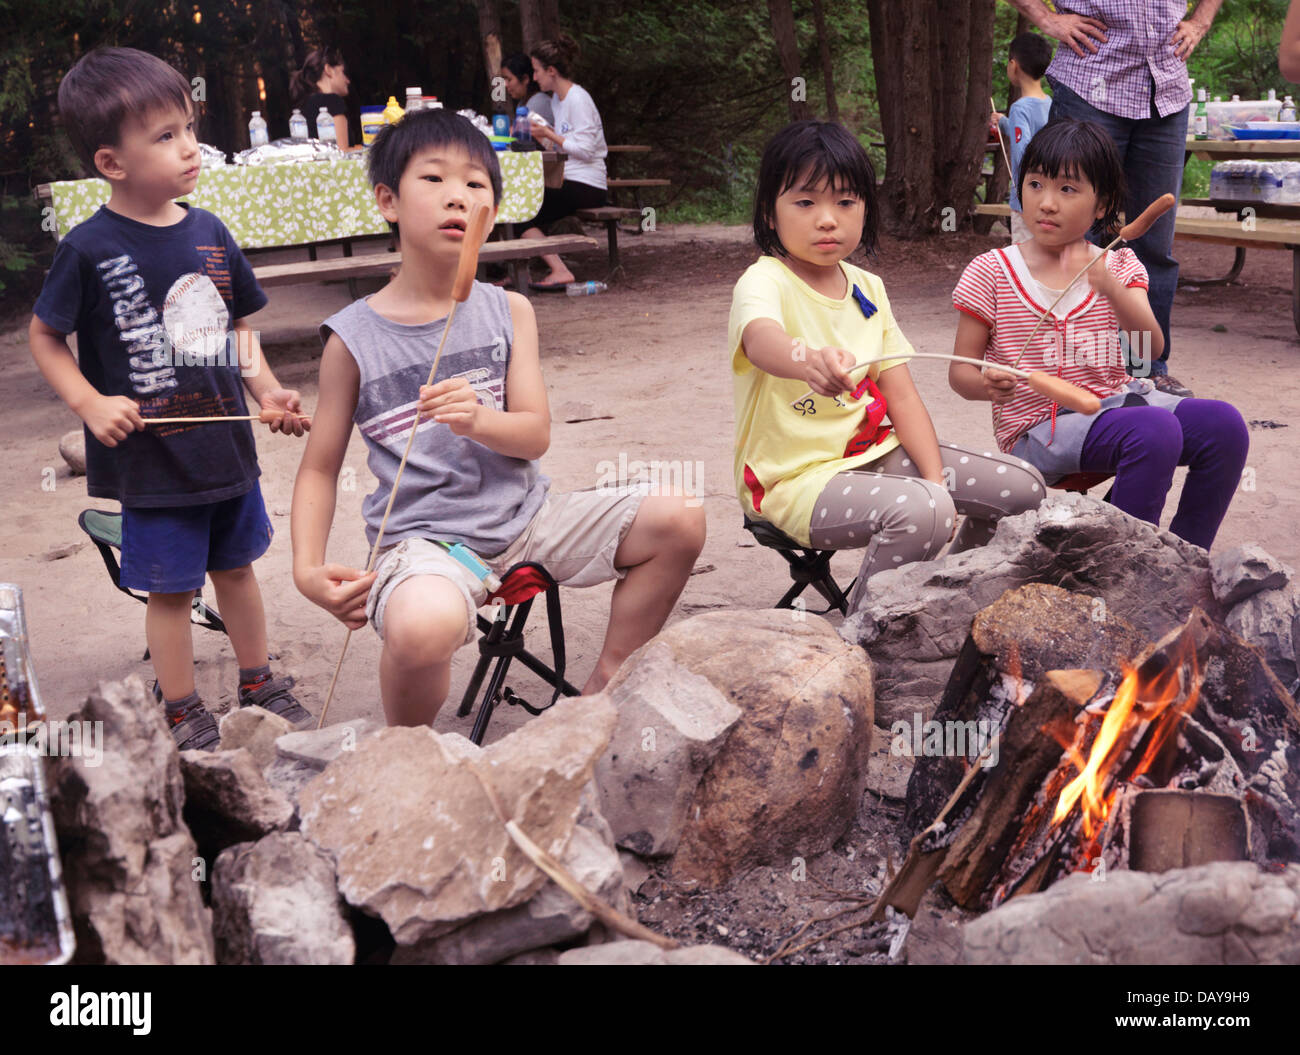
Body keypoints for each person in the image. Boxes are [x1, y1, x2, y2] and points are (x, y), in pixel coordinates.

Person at [291, 109, 704, 727]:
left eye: (476, 184)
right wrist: (306, 568)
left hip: (529, 519)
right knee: (423, 625)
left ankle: (604, 690)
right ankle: (410, 749)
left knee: (680, 516)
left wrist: (479, 420)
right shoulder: (352, 339)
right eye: (433, 179)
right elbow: (320, 469)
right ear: (388, 201)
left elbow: (533, 433)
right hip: (427, 543)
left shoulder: (510, 311)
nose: (458, 195)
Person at [29, 47, 313, 750]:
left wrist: (269, 389)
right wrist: (89, 403)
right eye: (164, 136)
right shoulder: (89, 248)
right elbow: (43, 337)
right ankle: (181, 705)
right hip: (153, 464)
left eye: (188, 128)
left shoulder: (211, 232)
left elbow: (237, 327)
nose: (189, 148)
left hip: (226, 446)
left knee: (238, 569)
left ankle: (258, 677)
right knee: (172, 589)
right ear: (111, 164)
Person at [730, 121, 1045, 614]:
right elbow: (760, 338)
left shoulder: (868, 289)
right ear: (770, 213)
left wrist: (936, 478)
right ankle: (866, 637)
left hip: (875, 453)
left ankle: (944, 600)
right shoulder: (765, 280)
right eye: (805, 202)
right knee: (922, 510)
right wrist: (807, 359)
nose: (827, 219)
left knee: (1023, 489)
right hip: (792, 480)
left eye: (846, 202)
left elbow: (900, 396)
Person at [949, 119, 1247, 552]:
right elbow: (960, 374)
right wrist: (985, 384)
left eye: (1068, 190)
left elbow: (1150, 348)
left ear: (1103, 205)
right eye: (1035, 184)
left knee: (1225, 426)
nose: (1047, 203)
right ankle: (1119, 565)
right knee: (1153, 430)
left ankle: (1185, 558)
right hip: (1038, 429)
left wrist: (1111, 288)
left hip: (1119, 402)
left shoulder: (1120, 266)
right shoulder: (991, 271)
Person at [1005, 0, 1226, 399]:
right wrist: (1045, 18)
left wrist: (1200, 20)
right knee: (1070, 238)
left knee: (1153, 245)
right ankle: (1065, 368)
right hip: (1091, 81)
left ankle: (1144, 370)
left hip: (1166, 89)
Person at [521, 34, 609, 290]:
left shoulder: (578, 99)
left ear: (551, 71)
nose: (534, 78)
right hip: (570, 178)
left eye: (537, 71)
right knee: (520, 208)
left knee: (523, 214)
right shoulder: (559, 102)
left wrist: (549, 134)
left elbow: (585, 150)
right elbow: (564, 146)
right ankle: (524, 272)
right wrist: (543, 133)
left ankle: (560, 270)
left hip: (588, 185)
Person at [992, 31, 1054, 243]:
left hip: (1025, 203)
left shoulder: (1020, 108)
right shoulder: (1049, 104)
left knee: (1024, 257)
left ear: (1014, 65)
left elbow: (1023, 150)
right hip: (1049, 197)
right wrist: (1004, 122)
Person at [291, 46, 351, 149]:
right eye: (343, 72)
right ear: (328, 70)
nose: (347, 80)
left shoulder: (305, 103)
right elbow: (341, 151)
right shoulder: (332, 101)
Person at [500, 52, 553, 129]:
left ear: (525, 79)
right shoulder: (522, 103)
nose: (505, 84)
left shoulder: (539, 103)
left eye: (509, 79)